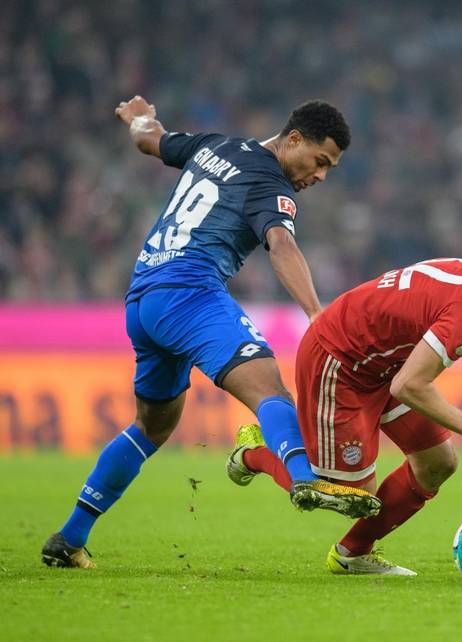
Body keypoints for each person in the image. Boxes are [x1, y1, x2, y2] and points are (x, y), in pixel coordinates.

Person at [42, 95, 380, 569]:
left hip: (143, 297)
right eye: (319, 161)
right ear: (294, 140)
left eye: (330, 169)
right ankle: (307, 478)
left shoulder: (213, 146)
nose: (320, 176)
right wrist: (316, 314)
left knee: (152, 427)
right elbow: (280, 244)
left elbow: (148, 140)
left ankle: (70, 538)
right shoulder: (270, 181)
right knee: (271, 391)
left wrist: (139, 114)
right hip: (189, 290)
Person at [226, 250, 462, 575]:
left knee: (438, 462)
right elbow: (408, 386)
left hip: (387, 360)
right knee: (345, 495)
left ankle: (352, 555)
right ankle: (257, 451)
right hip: (342, 358)